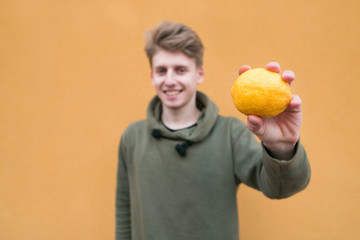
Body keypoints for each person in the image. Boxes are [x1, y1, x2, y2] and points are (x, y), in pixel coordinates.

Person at [116, 21, 311, 240]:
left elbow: (280, 188)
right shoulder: (132, 137)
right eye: (162, 70)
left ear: (199, 74)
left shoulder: (229, 133)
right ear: (152, 76)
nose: (170, 80)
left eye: (180, 69)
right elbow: (125, 208)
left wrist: (282, 148)